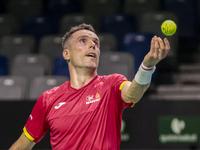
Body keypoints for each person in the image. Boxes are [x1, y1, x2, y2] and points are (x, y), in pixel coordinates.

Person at [9, 23, 170, 150]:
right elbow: (20, 146)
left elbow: (133, 94)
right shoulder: (47, 99)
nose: (92, 45)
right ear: (67, 54)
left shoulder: (112, 84)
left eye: (96, 43)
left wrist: (147, 67)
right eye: (83, 41)